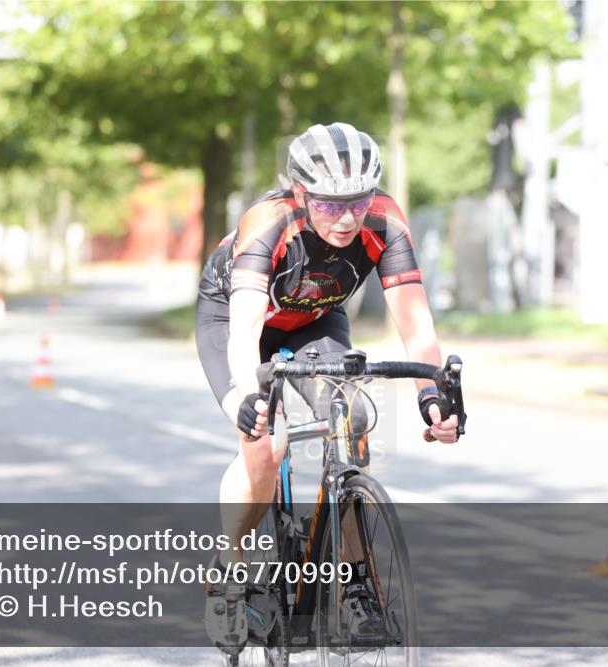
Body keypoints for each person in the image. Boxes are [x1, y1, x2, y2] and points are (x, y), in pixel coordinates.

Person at [195, 122, 459, 650]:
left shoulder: (384, 221)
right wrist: (249, 395)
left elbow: (415, 324)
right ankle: (230, 566)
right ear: (300, 194)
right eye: (329, 204)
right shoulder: (269, 222)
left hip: (314, 319)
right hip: (235, 321)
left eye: (357, 202)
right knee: (267, 446)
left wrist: (433, 396)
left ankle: (358, 583)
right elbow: (246, 328)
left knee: (354, 419)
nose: (346, 217)